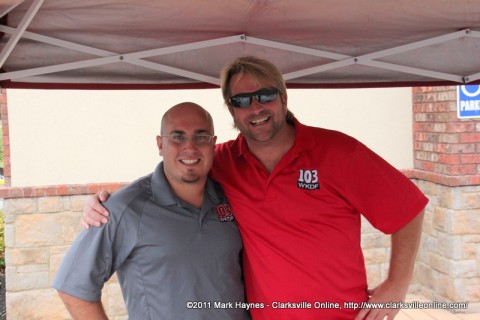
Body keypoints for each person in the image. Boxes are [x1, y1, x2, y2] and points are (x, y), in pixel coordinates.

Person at [84, 57, 428, 320]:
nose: (256, 108)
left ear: (283, 97)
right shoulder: (223, 162)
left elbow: (407, 208)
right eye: (242, 100)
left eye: (265, 95)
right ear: (231, 111)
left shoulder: (338, 151)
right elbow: (179, 167)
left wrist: (396, 286)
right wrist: (107, 203)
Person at [53, 102, 250, 320]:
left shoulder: (229, 197)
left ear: (213, 144)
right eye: (178, 136)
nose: (190, 147)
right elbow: (72, 286)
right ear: (160, 144)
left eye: (201, 137)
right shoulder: (126, 207)